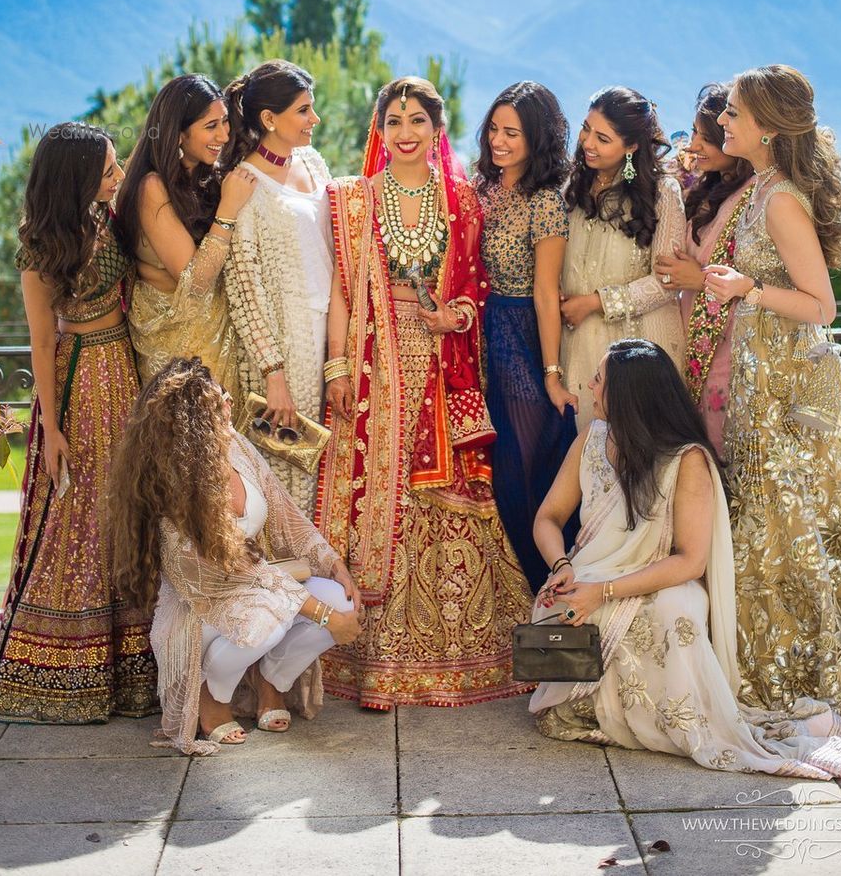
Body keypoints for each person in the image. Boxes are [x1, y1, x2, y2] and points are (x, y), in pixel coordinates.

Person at [529, 340, 841, 780]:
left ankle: (678, 723)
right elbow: (548, 518)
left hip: (662, 579)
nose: (590, 387)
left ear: (630, 395)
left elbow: (691, 561)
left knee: (674, 611)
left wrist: (604, 593)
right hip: (590, 574)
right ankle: (605, 707)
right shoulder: (591, 441)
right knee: (555, 606)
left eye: (599, 380)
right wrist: (562, 567)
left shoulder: (685, 460)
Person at [711, 64, 841, 724]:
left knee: (796, 529)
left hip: (788, 391)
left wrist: (744, 290)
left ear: (768, 130)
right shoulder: (762, 187)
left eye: (734, 114)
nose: (722, 119)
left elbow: (822, 306)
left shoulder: (777, 200)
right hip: (764, 378)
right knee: (780, 530)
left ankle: (813, 670)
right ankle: (784, 659)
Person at [316, 76, 530, 708]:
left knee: (438, 500)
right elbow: (340, 293)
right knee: (376, 509)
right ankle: (371, 663)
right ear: (378, 132)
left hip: (444, 365)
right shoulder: (354, 200)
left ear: (437, 131)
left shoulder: (463, 201)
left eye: (417, 122)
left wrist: (457, 317)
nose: (405, 133)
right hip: (372, 367)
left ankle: (450, 656)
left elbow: (478, 292)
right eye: (393, 122)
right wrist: (335, 368)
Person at [0, 125, 157, 724]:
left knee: (130, 509)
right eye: (106, 168)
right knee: (80, 515)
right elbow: (39, 343)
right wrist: (50, 430)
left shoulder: (108, 218)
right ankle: (65, 669)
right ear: (76, 176)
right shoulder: (44, 245)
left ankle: (135, 668)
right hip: (80, 385)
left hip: (125, 374)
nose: (116, 176)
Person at [110, 357, 363, 753]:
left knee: (339, 597)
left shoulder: (236, 445)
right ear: (194, 420)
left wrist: (334, 565)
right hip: (201, 609)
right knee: (270, 622)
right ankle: (212, 696)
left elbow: (286, 515)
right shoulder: (172, 483)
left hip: (256, 588)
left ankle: (272, 683)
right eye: (220, 401)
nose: (231, 405)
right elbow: (228, 578)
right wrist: (324, 616)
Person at [473, 81, 578, 593]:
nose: (498, 140)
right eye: (494, 128)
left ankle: (544, 596)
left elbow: (545, 293)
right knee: (482, 474)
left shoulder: (545, 203)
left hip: (520, 339)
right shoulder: (479, 189)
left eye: (511, 132)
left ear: (536, 138)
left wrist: (552, 376)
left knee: (519, 475)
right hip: (473, 338)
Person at [221, 61, 333, 515]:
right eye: (304, 111)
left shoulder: (312, 161)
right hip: (289, 346)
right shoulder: (247, 182)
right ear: (269, 119)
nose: (314, 120)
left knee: (334, 470)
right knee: (294, 473)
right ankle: (293, 580)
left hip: (335, 331)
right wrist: (275, 374)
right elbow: (244, 286)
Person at [115, 74, 255, 395]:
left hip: (221, 350)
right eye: (210, 126)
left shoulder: (205, 178)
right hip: (179, 360)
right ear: (178, 133)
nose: (223, 134)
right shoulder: (152, 188)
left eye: (224, 122)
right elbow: (194, 283)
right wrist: (229, 209)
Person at [559, 88, 685, 431]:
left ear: (631, 147)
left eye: (603, 138)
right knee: (582, 456)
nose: (588, 143)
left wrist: (597, 302)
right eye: (586, 129)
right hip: (573, 342)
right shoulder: (569, 187)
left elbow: (667, 281)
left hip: (634, 351)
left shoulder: (661, 193)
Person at [654, 85, 754, 456]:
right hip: (689, 342)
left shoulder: (757, 196)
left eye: (704, 137)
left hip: (731, 354)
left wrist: (699, 279)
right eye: (693, 133)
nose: (693, 146)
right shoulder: (707, 188)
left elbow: (762, 276)